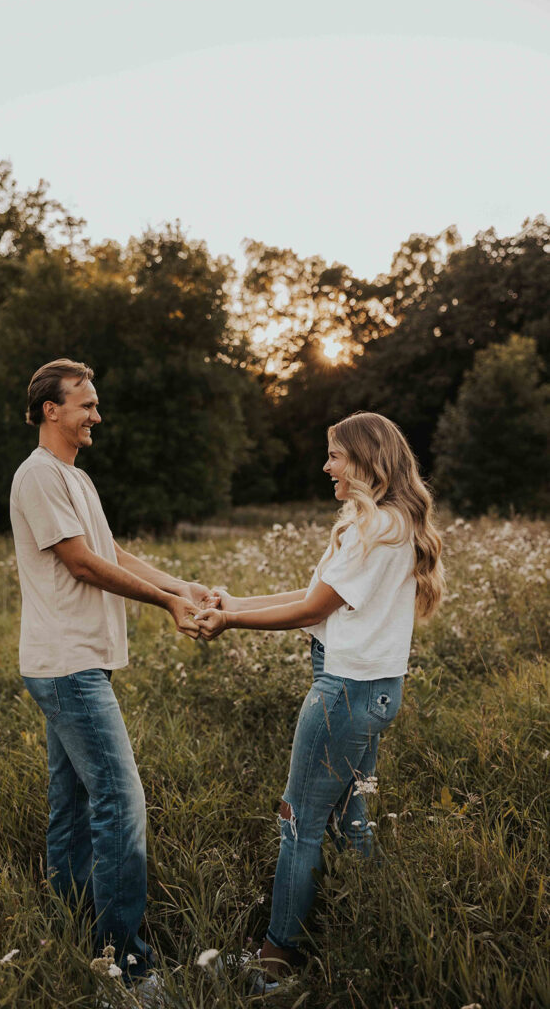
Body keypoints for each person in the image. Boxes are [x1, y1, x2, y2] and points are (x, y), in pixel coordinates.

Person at [196, 411, 444, 984]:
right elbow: (319, 597)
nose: (327, 465)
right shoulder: (396, 522)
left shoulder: (372, 526)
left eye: (335, 455)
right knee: (350, 823)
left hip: (344, 694)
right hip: (378, 692)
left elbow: (310, 611)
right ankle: (377, 926)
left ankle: (276, 961)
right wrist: (237, 601)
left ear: (365, 460)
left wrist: (230, 622)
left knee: (298, 823)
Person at [9, 358, 216, 987]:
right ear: (52, 409)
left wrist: (181, 584)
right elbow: (81, 564)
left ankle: (78, 936)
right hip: (68, 667)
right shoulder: (37, 477)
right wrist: (168, 605)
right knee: (121, 804)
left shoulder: (77, 478)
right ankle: (127, 968)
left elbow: (112, 553)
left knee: (72, 807)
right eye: (86, 404)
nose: (97, 414)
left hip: (76, 663)